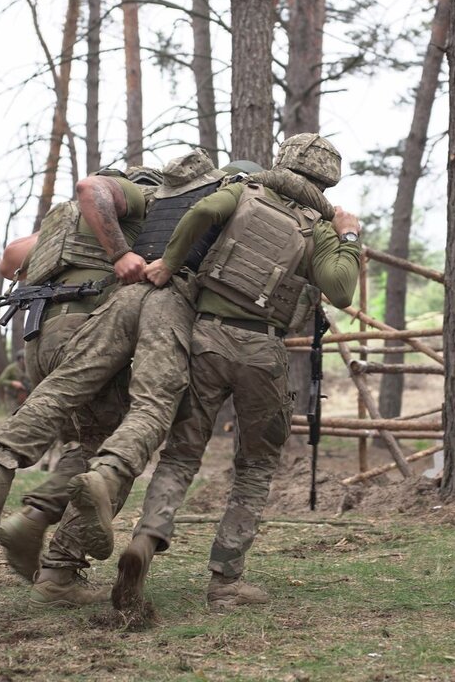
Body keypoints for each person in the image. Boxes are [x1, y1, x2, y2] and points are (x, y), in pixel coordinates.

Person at [112, 133, 361, 612]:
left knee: (183, 453)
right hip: (262, 351)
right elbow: (341, 289)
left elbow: (201, 213)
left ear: (283, 160)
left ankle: (147, 539)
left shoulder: (243, 190)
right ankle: (225, 582)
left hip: (206, 338)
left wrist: (170, 263)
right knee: (255, 465)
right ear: (327, 179)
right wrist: (349, 235)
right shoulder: (321, 227)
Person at [0, 166, 157, 585]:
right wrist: (122, 252)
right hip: (87, 331)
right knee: (113, 452)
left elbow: (10, 259)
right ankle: (58, 569)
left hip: (40, 339)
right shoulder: (132, 202)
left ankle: (24, 515)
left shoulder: (63, 223)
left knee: (85, 441)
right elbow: (90, 188)